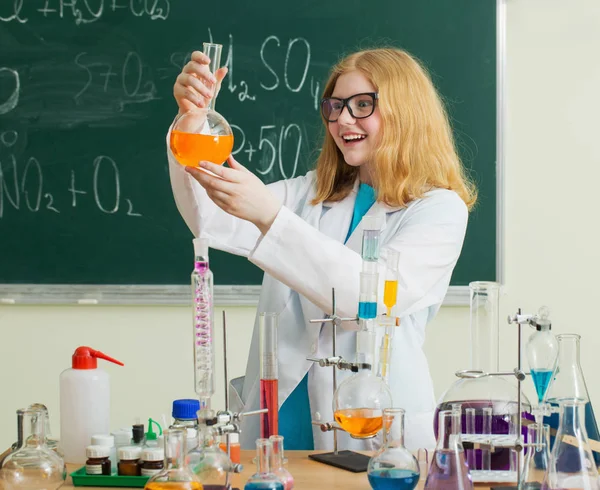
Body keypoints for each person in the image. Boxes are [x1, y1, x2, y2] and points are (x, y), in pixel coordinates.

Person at [167, 47, 477, 451]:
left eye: (363, 104)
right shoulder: (312, 193)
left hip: (368, 430)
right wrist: (192, 120)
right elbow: (210, 218)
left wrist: (272, 218)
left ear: (407, 111)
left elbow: (368, 298)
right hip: (279, 424)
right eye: (335, 106)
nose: (343, 119)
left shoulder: (439, 209)